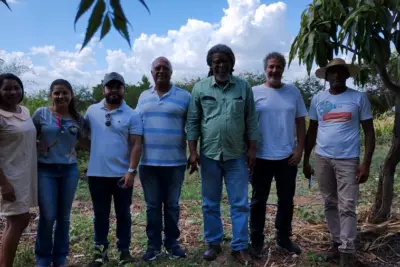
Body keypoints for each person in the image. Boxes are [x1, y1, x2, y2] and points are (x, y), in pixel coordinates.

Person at [186, 44, 259, 265]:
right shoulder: (200, 88)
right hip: (209, 155)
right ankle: (214, 243)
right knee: (210, 202)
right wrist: (192, 151)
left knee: (239, 203)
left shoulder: (243, 87)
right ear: (210, 64)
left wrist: (252, 149)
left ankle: (239, 246)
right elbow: (193, 121)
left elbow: (251, 120)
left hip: (237, 155)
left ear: (231, 63)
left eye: (224, 61)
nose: (220, 65)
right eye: (216, 61)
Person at [303, 58, 375, 267]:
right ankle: (336, 242)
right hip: (323, 158)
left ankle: (347, 251)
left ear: (346, 75)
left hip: (348, 159)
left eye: (339, 72)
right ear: (326, 77)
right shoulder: (318, 98)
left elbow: (369, 132)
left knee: (348, 205)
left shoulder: (358, 98)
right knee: (329, 203)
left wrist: (366, 163)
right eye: (331, 73)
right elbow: (312, 129)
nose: (335, 76)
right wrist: (306, 160)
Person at [249, 52, 307, 258]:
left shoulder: (293, 92)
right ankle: (256, 240)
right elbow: (247, 123)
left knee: (286, 200)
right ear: (265, 69)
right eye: (271, 67)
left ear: (283, 69)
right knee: (258, 200)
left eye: (278, 67)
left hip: (287, 156)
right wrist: (250, 150)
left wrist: (299, 149)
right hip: (261, 156)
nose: (274, 70)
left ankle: (283, 239)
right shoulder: (254, 92)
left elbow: (301, 121)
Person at [84, 72, 143, 267]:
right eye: (110, 87)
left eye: (118, 87)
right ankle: (100, 252)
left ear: (124, 90)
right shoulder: (92, 111)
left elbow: (136, 145)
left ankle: (124, 252)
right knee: (100, 215)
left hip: (121, 175)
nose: (114, 90)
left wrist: (131, 171)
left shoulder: (132, 114)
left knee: (123, 215)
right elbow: (83, 137)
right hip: (97, 175)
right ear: (104, 90)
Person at [136, 57, 190, 261]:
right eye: (156, 68)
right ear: (151, 73)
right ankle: (153, 246)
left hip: (175, 162)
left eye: (165, 68)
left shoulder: (185, 97)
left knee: (172, 205)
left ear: (171, 72)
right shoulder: (143, 97)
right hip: (148, 163)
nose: (160, 71)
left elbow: (192, 126)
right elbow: (136, 128)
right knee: (152, 206)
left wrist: (193, 152)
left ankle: (172, 244)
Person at [33, 79, 88, 267]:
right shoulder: (41, 114)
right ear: (51, 95)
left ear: (71, 95)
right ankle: (42, 257)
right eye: (57, 93)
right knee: (48, 216)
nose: (61, 96)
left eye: (65, 92)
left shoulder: (78, 118)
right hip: (45, 170)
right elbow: (28, 137)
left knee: (64, 217)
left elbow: (85, 142)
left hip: (69, 171)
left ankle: (60, 257)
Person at [0, 73, 38, 267]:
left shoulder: (24, 111)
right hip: (9, 177)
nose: (13, 91)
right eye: (7, 88)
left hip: (25, 175)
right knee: (18, 221)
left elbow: (24, 139)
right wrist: (4, 184)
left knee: (15, 222)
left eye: (16, 87)